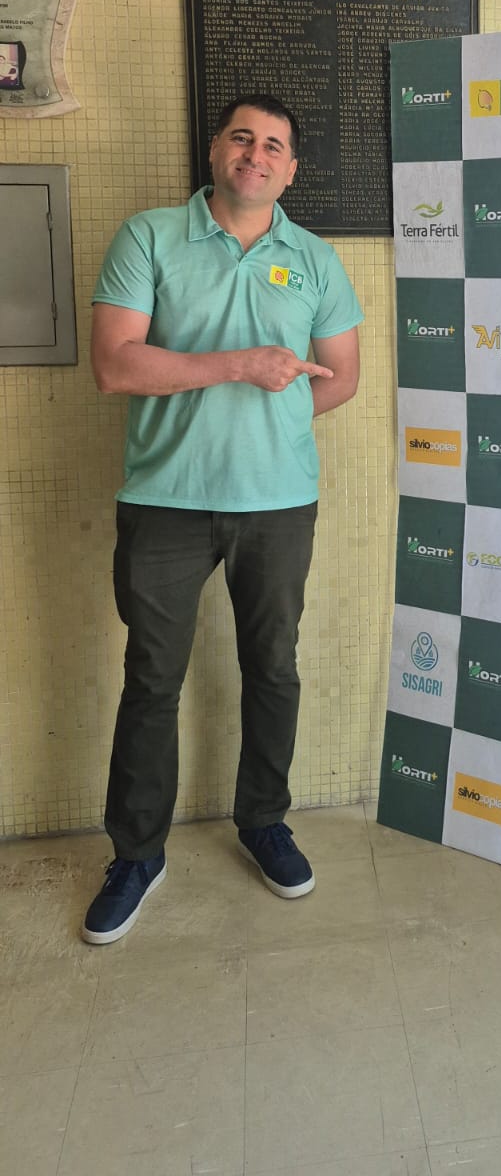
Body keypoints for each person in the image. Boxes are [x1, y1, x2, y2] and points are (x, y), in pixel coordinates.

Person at [82, 94, 363, 944]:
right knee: (152, 680)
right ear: (215, 151)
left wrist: (267, 428)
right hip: (164, 501)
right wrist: (240, 368)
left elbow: (342, 377)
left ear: (292, 169)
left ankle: (264, 820)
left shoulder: (315, 259)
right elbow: (114, 366)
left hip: (278, 504)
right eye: (243, 137)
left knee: (272, 668)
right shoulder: (149, 237)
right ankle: (137, 854)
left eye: (274, 144)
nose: (256, 153)